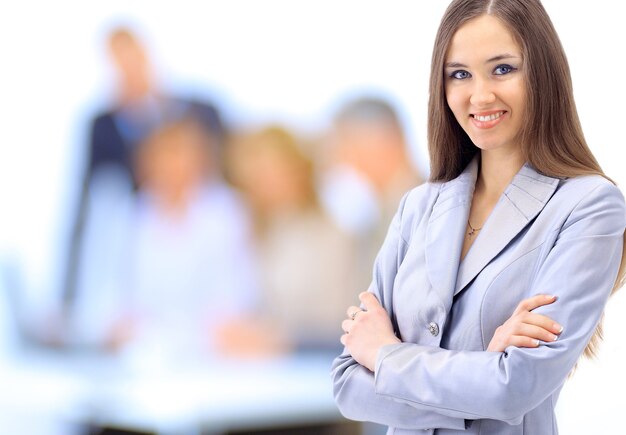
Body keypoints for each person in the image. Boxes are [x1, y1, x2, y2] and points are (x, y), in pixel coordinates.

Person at [331, 1, 626, 434]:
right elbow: (347, 386)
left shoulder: (588, 206)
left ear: (543, 74)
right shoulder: (419, 206)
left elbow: (516, 387)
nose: (480, 95)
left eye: (503, 69)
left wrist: (385, 355)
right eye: (460, 74)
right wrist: (484, 370)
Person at [62, 26, 224, 318]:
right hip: (145, 253)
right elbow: (84, 210)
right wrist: (68, 300)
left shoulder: (200, 111)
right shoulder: (105, 127)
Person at [228, 126, 358, 351]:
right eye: (256, 177)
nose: (264, 185)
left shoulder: (328, 236)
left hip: (315, 362)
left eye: (271, 173)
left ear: (299, 171)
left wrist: (280, 337)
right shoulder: (261, 232)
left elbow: (337, 319)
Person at [321, 97, 424, 291]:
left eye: (346, 143)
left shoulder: (425, 207)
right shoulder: (379, 214)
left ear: (382, 140)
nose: (342, 158)